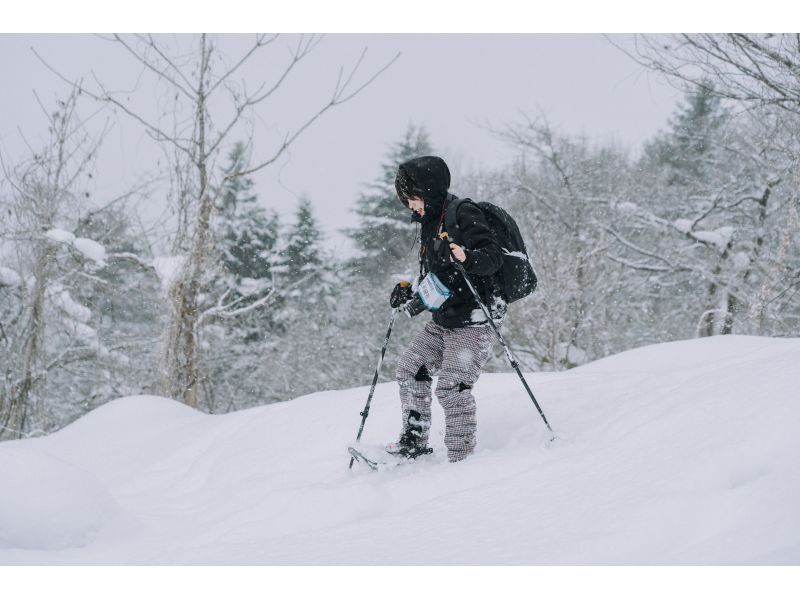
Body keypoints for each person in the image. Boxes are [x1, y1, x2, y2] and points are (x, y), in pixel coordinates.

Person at [387, 155, 506, 463]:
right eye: (406, 200)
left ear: (428, 190)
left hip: (473, 320)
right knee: (410, 369)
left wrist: (467, 257)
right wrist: (409, 292)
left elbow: (493, 257)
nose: (411, 206)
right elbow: (436, 275)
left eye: (413, 198)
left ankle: (461, 460)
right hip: (444, 319)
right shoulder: (429, 223)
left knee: (452, 388)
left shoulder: (463, 213)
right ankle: (413, 441)